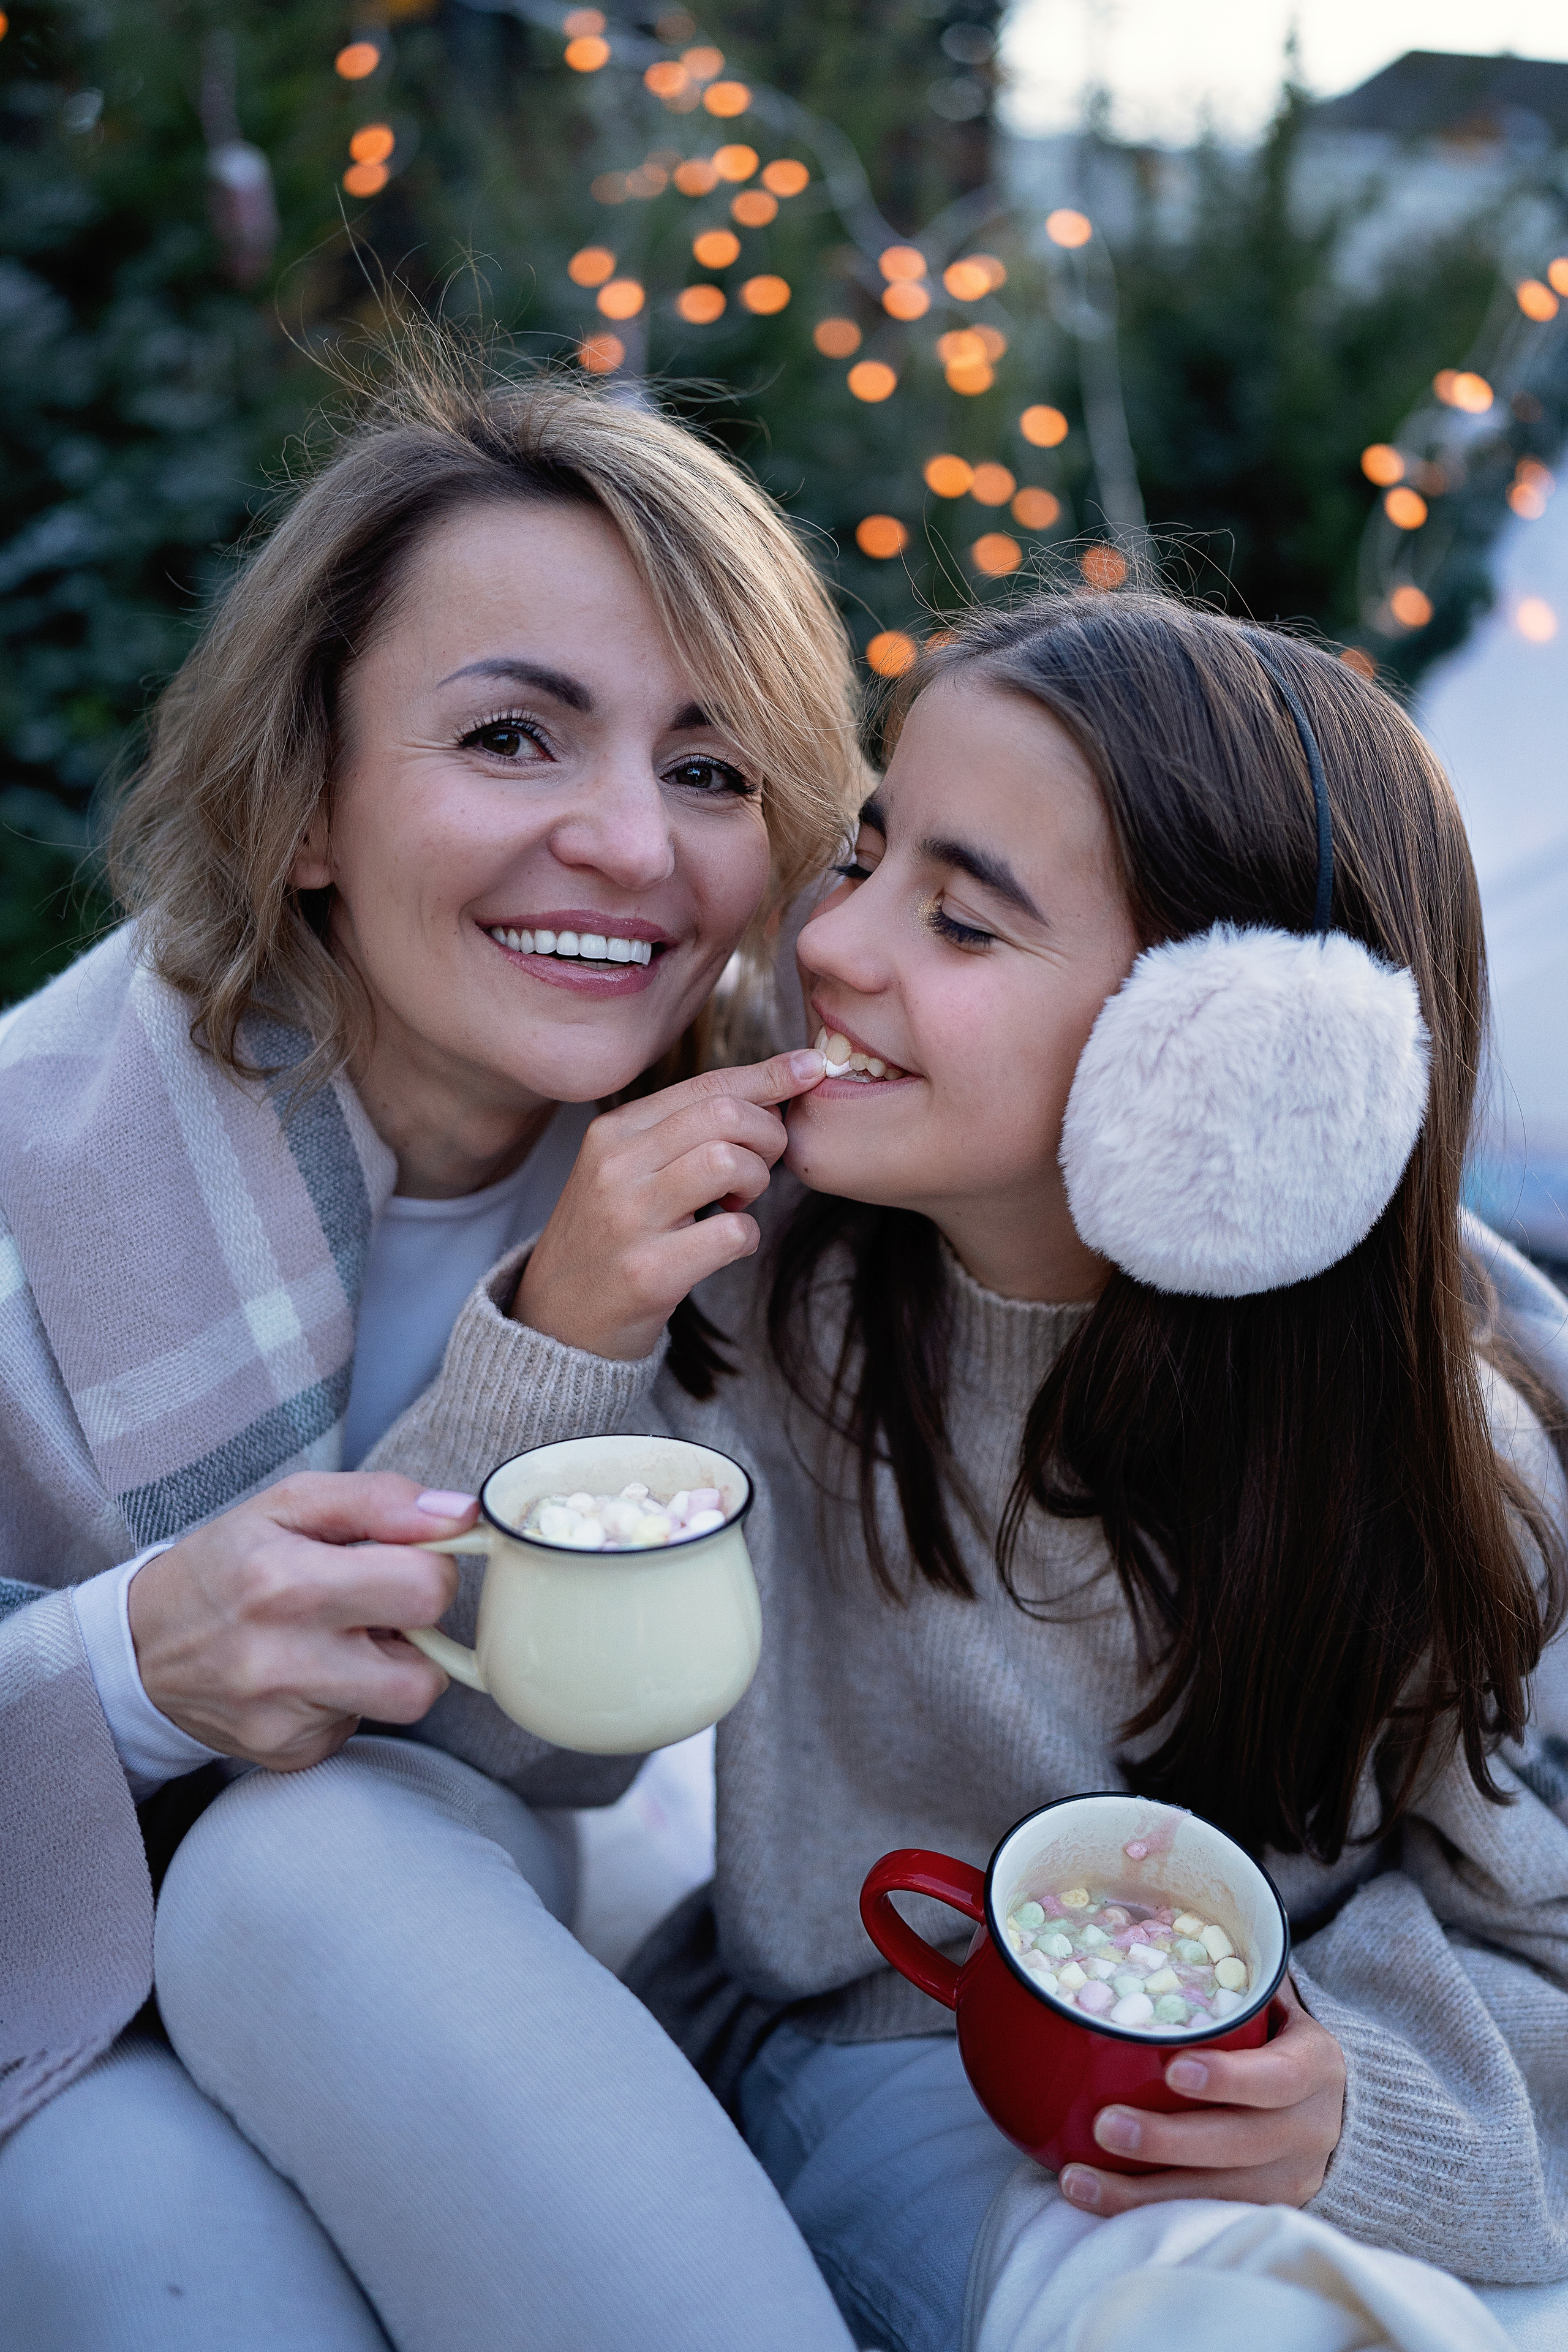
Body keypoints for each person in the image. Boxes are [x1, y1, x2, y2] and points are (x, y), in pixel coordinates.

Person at [167, 587, 1568, 2351]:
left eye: (963, 923)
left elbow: (1540, 1938)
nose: (832, 947)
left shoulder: (1461, 1466)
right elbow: (473, 1733)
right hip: (856, 2063)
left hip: (1209, 2143)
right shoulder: (772, 1291)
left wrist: (1351, 2102)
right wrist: (571, 1328)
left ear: (1232, 1071)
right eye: (871, 853)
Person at [0, 356, 866, 2351]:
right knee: (105, 2205)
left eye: (715, 770)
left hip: (457, 1922)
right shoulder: (48, 1165)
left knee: (297, 1863)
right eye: (512, 737)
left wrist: (572, 1326)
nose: (634, 849)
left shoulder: (784, 1150)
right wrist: (131, 1663)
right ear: (304, 805)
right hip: (69, 1986)